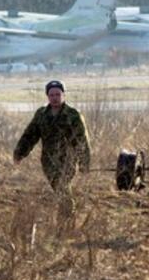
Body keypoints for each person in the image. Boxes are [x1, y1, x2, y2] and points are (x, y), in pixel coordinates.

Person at [13, 80, 91, 227]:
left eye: (58, 94)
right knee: (60, 190)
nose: (55, 97)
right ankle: (66, 222)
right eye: (51, 95)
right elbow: (30, 135)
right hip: (48, 162)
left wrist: (84, 164)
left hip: (67, 161)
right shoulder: (41, 114)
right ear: (47, 96)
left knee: (62, 189)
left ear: (63, 95)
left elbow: (82, 141)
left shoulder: (73, 115)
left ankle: (66, 224)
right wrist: (19, 153)